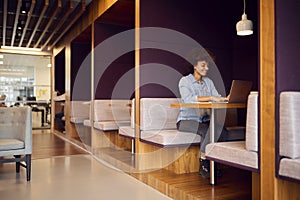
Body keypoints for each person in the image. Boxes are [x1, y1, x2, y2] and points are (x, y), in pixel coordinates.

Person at [176, 48, 228, 178]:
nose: (206, 68)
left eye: (208, 65)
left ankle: (214, 163)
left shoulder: (208, 82)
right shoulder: (185, 81)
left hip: (204, 119)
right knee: (207, 131)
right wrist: (211, 98)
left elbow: (217, 96)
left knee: (222, 131)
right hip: (186, 121)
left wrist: (225, 99)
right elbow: (188, 100)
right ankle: (204, 160)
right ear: (195, 66)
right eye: (203, 65)